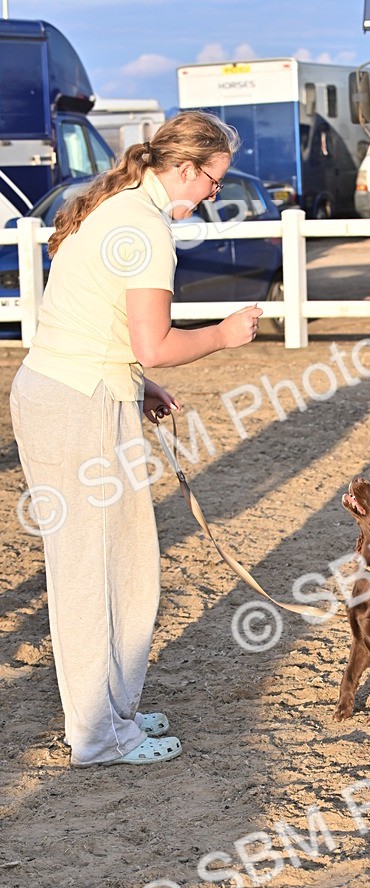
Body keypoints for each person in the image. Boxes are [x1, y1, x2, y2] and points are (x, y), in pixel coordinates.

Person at [9, 111, 262, 767]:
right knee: (98, 571)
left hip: (75, 391)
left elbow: (99, 321)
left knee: (113, 563)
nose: (213, 192)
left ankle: (109, 712)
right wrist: (225, 335)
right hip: (79, 405)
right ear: (185, 169)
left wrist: (135, 382)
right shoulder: (143, 226)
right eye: (213, 180)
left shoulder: (119, 207)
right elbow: (157, 343)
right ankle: (98, 734)